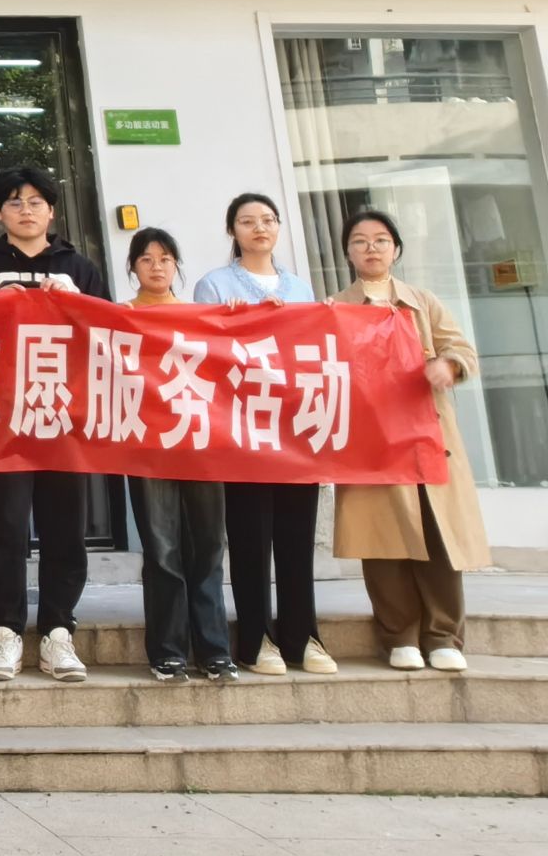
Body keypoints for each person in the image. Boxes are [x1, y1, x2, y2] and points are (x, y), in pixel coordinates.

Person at [0, 164, 107, 684]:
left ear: (52, 211)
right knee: (3, 529)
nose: (25, 210)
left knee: (66, 530)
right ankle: (5, 631)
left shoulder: (79, 267)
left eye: (35, 201)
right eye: (14, 202)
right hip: (3, 421)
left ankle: (59, 631)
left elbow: (107, 337)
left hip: (65, 419)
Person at [332, 209, 490, 673]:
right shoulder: (335, 307)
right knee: (383, 538)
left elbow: (461, 349)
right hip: (372, 441)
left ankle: (443, 635)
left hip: (426, 436)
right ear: (348, 253)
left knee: (438, 535)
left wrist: (448, 365)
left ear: (396, 249)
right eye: (360, 241)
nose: (371, 248)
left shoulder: (422, 302)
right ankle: (398, 634)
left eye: (381, 240)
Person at [193, 192, 334, 677]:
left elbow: (314, 351)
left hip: (294, 427)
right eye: (247, 221)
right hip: (243, 428)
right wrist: (232, 322)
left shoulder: (300, 287)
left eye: (268, 219)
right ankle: (256, 639)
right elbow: (205, 353)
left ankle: (303, 635)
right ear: (232, 230)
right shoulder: (214, 285)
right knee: (250, 538)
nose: (259, 228)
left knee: (296, 538)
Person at [126, 228, 238, 684]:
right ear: (133, 267)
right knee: (162, 550)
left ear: (177, 266)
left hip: (202, 443)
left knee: (208, 547)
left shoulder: (202, 317)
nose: (157, 267)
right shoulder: (119, 317)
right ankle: (168, 650)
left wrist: (252, 318)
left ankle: (214, 650)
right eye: (146, 259)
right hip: (147, 448)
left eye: (166, 258)